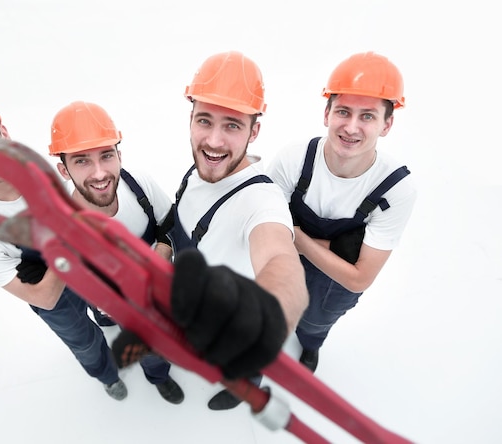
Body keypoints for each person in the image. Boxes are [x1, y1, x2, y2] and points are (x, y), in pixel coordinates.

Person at [0, 90, 125, 402]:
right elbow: (43, 295)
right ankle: (107, 376)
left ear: (4, 132)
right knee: (83, 342)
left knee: (106, 299)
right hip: (57, 298)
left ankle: (107, 316)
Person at [162, 51, 309, 410]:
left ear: (254, 131)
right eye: (205, 121)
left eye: (232, 125)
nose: (213, 141)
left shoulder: (261, 199)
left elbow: (278, 255)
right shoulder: (198, 170)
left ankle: (243, 388)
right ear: (191, 118)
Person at [266, 52, 417, 373]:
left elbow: (360, 279)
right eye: (343, 111)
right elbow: (267, 234)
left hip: (331, 290)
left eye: (367, 116)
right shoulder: (294, 159)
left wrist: (298, 237)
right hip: (282, 264)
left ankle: (309, 346)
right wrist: (341, 253)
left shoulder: (395, 189)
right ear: (326, 113)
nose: (351, 127)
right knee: (271, 311)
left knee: (315, 324)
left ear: (387, 124)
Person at [45, 100, 184, 404]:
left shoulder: (139, 185)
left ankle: (157, 376)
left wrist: (160, 257)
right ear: (63, 170)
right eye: (81, 161)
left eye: (106, 156)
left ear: (119, 155)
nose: (99, 173)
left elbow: (170, 222)